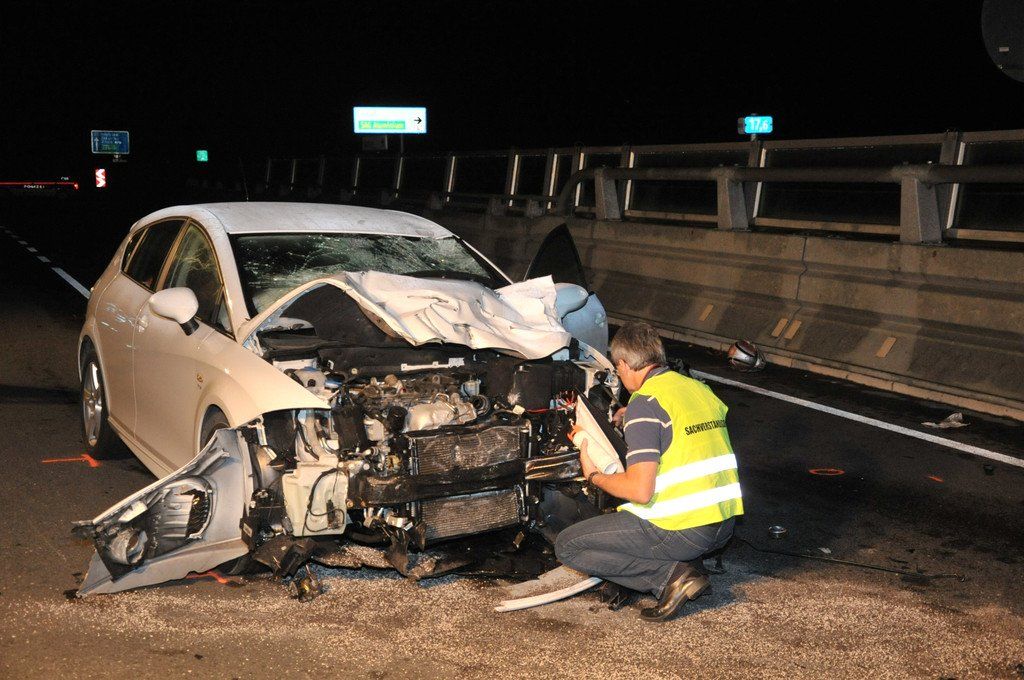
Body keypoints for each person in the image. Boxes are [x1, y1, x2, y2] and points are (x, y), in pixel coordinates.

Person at [555, 321, 743, 621]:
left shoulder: (646, 404)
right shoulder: (698, 389)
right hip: (722, 525)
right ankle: (686, 563)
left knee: (569, 545)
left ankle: (671, 577)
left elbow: (639, 491)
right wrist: (632, 415)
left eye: (618, 369)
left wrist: (594, 476)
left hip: (683, 529)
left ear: (623, 364)